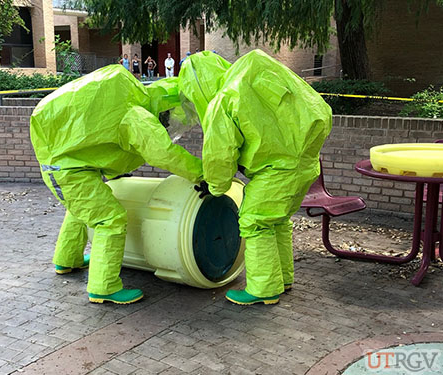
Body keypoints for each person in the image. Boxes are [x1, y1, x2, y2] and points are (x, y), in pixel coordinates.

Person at [30, 66, 203, 305]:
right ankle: (104, 287)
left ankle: (67, 259)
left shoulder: (131, 99)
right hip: (67, 169)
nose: (172, 124)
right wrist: (202, 174)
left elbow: (102, 141)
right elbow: (164, 153)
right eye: (172, 118)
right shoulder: (138, 116)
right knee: (110, 219)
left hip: (67, 164)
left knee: (82, 207)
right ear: (167, 108)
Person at [177, 50, 332, 305]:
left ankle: (263, 289)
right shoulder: (254, 67)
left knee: (254, 221)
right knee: (278, 221)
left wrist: (216, 187)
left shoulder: (223, 101)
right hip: (306, 162)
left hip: (276, 171)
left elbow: (220, 156)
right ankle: (282, 278)